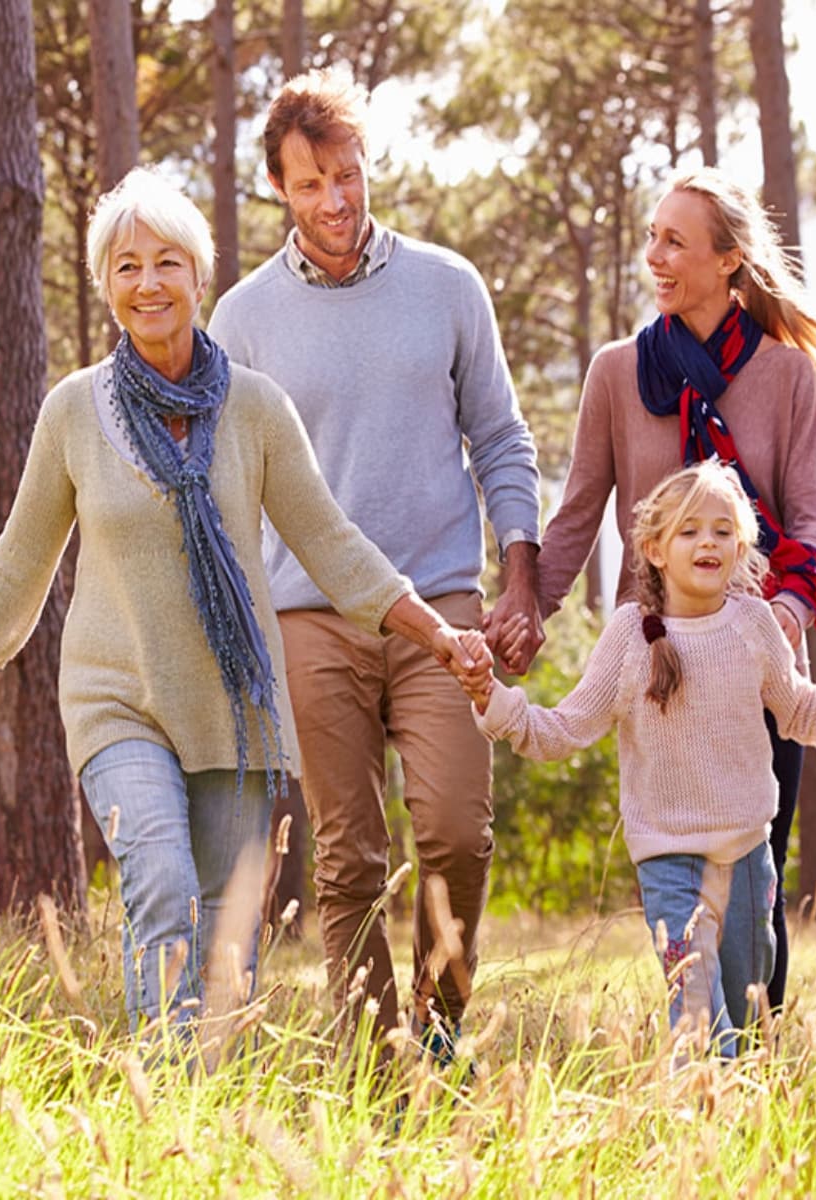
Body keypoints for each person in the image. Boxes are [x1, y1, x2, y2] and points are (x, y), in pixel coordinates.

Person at [0, 169, 485, 1032]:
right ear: (107, 284)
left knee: (227, 938)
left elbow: (329, 543)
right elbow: (20, 559)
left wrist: (434, 629)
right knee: (164, 886)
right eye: (129, 266)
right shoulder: (74, 411)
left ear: (198, 276)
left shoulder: (255, 409)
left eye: (168, 263)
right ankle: (165, 1108)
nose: (149, 284)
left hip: (231, 706)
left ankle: (204, 1119)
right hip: (118, 701)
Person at [207, 66, 542, 1052]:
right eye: (310, 184)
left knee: (453, 830)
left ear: (368, 166)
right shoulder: (244, 319)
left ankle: (438, 1024)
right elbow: (230, 490)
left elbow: (503, 439)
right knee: (348, 857)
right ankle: (368, 1058)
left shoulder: (447, 287)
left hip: (443, 607)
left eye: (348, 174)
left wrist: (518, 577)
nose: (336, 200)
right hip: (310, 616)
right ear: (279, 189)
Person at [519, 166, 816, 1011]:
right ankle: (697, 1042)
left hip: (757, 663)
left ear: (730, 260)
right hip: (657, 659)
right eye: (651, 236)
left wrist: (770, 625)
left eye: (674, 241)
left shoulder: (787, 376)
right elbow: (579, 512)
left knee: (758, 869)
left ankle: (758, 1050)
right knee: (677, 874)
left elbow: (810, 520)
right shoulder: (618, 373)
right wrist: (527, 614)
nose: (654, 256)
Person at [474, 464, 816, 1055]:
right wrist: (495, 701)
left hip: (747, 858)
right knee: (696, 1015)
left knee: (745, 1015)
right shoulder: (629, 639)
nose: (708, 543)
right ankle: (698, 1123)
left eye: (722, 531)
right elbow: (564, 729)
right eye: (690, 531)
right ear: (655, 550)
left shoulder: (755, 625)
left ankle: (738, 1126)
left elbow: (801, 713)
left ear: (741, 546)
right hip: (670, 862)